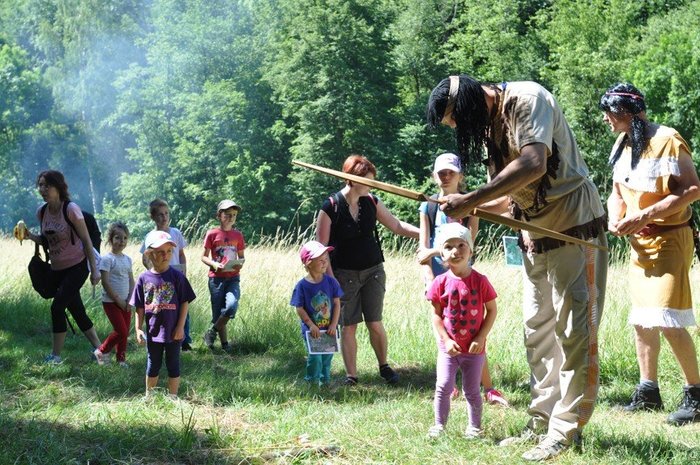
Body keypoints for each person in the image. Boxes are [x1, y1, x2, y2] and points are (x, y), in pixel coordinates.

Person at [426, 75, 608, 461]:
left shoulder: (527, 99)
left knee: (573, 331)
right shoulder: (491, 127)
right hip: (534, 237)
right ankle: (542, 420)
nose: (458, 129)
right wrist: (469, 205)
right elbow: (510, 198)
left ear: (469, 106)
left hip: (572, 227)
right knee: (537, 330)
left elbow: (534, 164)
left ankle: (565, 430)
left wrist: (473, 198)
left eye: (456, 120)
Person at [600, 83, 700, 426]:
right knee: (642, 319)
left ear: (628, 112)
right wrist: (615, 217)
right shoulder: (622, 143)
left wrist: (645, 215)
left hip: (671, 239)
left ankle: (696, 395)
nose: (606, 119)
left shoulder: (668, 139)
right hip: (639, 245)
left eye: (610, 113)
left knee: (667, 317)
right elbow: (617, 191)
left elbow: (692, 189)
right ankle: (648, 392)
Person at [316, 154, 420, 385]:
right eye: (368, 181)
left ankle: (384, 367)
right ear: (353, 179)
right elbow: (321, 249)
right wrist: (331, 281)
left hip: (374, 271)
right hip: (343, 275)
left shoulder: (371, 201)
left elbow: (396, 225)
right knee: (349, 326)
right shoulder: (331, 206)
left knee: (375, 321)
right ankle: (351, 376)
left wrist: (426, 234)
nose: (372, 185)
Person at [419, 152, 508, 407]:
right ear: (434, 176)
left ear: (460, 176)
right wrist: (429, 277)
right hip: (438, 279)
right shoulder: (428, 206)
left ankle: (488, 387)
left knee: (474, 330)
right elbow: (421, 250)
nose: (446, 177)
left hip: (465, 277)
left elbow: (469, 242)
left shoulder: (471, 205)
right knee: (444, 333)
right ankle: (449, 386)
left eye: (451, 172)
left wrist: (435, 252)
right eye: (441, 173)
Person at [426, 223, 497, 439]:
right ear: (442, 254)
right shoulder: (439, 282)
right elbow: (436, 316)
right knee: (443, 386)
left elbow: (492, 310)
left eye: (461, 245)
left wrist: (481, 337)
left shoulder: (481, 281)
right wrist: (446, 340)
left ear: (471, 251)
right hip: (449, 349)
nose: (455, 251)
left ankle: (474, 428)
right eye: (448, 247)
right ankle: (439, 425)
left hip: (474, 349)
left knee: (472, 390)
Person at [27, 170, 102, 364]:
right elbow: (48, 240)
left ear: (58, 187)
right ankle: (100, 350)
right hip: (57, 268)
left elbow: (86, 240)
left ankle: (55, 356)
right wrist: (29, 236)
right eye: (40, 185)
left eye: (47, 185)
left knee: (57, 306)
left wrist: (95, 270)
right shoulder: (42, 212)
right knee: (76, 309)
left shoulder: (71, 209)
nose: (43, 189)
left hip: (78, 266)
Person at [132, 230, 196, 397]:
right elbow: (139, 306)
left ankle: (173, 397)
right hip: (153, 332)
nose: (166, 255)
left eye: (169, 251)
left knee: (173, 364)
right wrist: (138, 329)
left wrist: (180, 327)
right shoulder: (143, 278)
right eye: (160, 252)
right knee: (153, 364)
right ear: (149, 254)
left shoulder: (177, 277)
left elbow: (184, 302)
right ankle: (149, 396)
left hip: (173, 331)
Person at [140, 199, 192, 351]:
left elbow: (181, 254)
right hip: (160, 277)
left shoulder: (175, 233)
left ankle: (184, 339)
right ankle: (160, 336)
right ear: (153, 217)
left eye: (166, 213)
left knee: (183, 304)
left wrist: (184, 270)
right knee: (163, 307)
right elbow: (145, 258)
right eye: (160, 214)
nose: (164, 217)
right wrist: (153, 270)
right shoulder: (150, 236)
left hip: (176, 276)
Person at [290, 241, 343, 385]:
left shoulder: (331, 282)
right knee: (315, 358)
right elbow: (299, 308)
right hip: (312, 331)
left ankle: (325, 382)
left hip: (329, 330)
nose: (325, 262)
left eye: (326, 259)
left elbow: (337, 303)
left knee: (327, 357)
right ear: (308, 263)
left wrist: (334, 324)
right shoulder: (302, 286)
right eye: (320, 260)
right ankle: (312, 382)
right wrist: (311, 325)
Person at [201, 200, 246, 352]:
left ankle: (211, 332)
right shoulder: (212, 234)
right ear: (219, 215)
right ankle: (224, 346)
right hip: (216, 278)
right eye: (227, 214)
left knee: (231, 306)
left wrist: (240, 263)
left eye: (234, 215)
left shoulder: (238, 235)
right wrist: (214, 264)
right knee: (218, 313)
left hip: (233, 278)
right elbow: (204, 257)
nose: (231, 218)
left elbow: (241, 256)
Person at [93, 222, 135, 367]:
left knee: (125, 332)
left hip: (126, 302)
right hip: (111, 302)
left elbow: (131, 281)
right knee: (121, 331)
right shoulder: (107, 259)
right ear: (110, 239)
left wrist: (130, 299)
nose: (121, 241)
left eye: (124, 238)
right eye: (117, 237)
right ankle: (101, 351)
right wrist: (119, 301)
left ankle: (121, 359)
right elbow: (105, 282)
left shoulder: (128, 260)